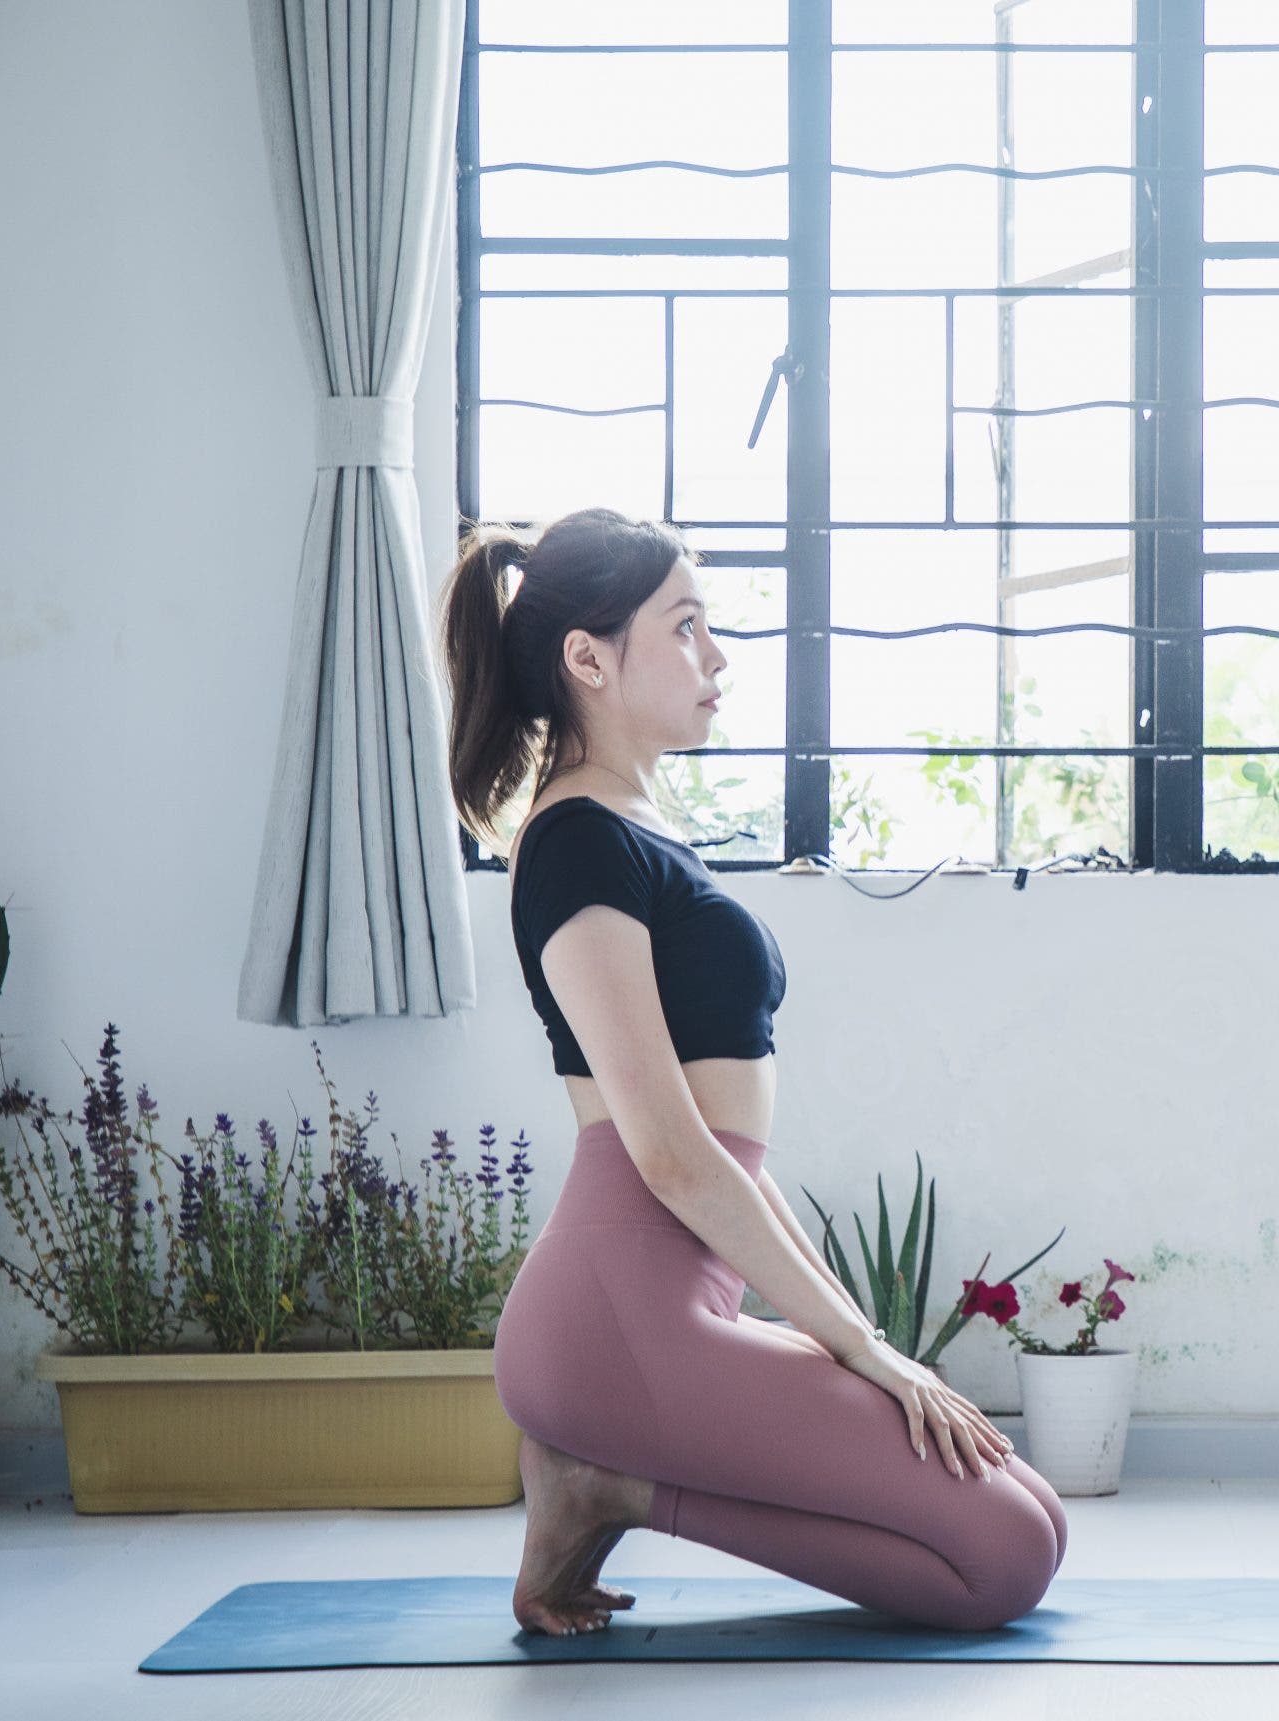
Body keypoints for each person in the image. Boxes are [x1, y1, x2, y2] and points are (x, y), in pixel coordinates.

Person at [438, 507, 1067, 1639]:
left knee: (1032, 1510)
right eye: (684, 627)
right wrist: (864, 1353)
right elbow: (672, 1154)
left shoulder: (639, 828)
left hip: (678, 1302)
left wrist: (860, 1338)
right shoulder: (575, 841)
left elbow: (733, 1163)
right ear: (589, 657)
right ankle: (610, 1482)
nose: (716, 655)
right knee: (1006, 1556)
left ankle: (606, 1480)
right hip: (611, 1321)